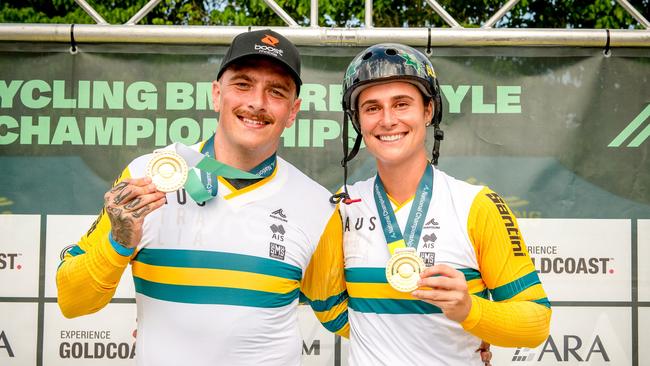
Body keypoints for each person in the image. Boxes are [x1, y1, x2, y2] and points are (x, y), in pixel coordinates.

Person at [56, 29, 348, 366]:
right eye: (243, 84)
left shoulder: (317, 205)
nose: (256, 102)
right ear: (216, 94)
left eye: (276, 91)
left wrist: (420, 303)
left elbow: (341, 316)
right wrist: (120, 242)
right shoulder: (146, 176)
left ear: (293, 111)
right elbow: (72, 301)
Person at [332, 43, 551, 365]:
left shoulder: (478, 204)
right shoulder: (343, 205)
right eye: (372, 108)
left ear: (428, 110)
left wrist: (469, 311)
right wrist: (380, 336)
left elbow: (535, 323)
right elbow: (326, 302)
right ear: (358, 121)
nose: (388, 120)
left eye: (401, 104)